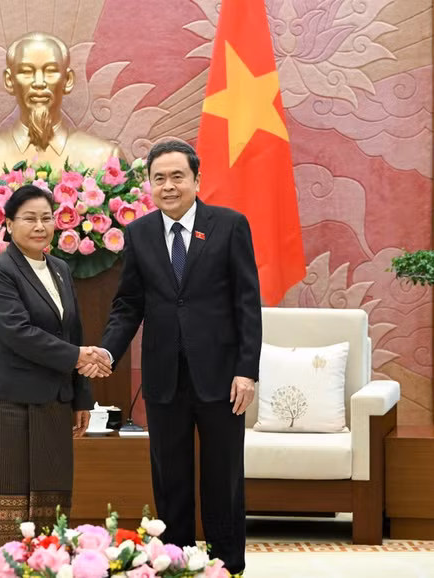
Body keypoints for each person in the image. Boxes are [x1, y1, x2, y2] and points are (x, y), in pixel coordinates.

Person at [83, 140, 262, 576]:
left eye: (177, 176)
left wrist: (246, 371)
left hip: (221, 377)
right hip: (164, 375)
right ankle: (177, 564)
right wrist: (108, 349)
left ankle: (227, 567)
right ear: (149, 184)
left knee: (223, 479)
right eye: (159, 178)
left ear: (197, 180)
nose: (168, 186)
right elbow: (129, 305)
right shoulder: (139, 233)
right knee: (170, 480)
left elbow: (247, 305)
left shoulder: (229, 225)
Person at [0, 184, 110, 548]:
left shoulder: (61, 269)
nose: (40, 226)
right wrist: (79, 356)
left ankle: (45, 564)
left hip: (54, 399)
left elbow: (73, 330)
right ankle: (2, 568)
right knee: (8, 495)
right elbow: (17, 332)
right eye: (30, 218)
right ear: (10, 224)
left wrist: (82, 398)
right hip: (9, 400)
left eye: (47, 218)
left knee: (50, 495)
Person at [0, 32, 121, 172]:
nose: (38, 82)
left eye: (50, 71)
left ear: (68, 80)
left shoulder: (106, 159)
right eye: (26, 72)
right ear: (9, 80)